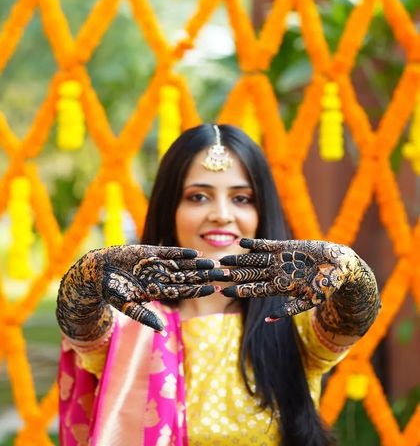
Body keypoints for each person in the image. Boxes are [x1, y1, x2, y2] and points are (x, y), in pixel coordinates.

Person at [56, 124, 381, 446]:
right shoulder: (128, 322)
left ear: (261, 211)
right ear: (170, 209)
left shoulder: (292, 318)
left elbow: (355, 315)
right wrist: (88, 272)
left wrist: (350, 269)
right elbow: (77, 316)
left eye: (241, 198)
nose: (221, 215)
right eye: (198, 197)